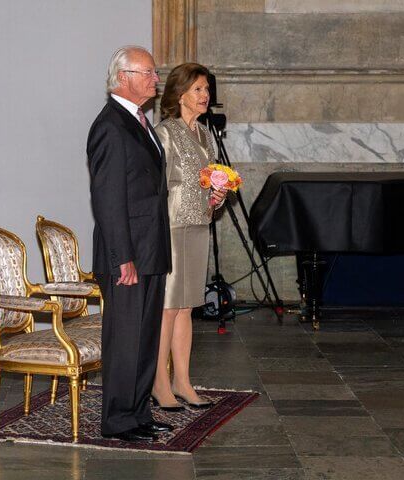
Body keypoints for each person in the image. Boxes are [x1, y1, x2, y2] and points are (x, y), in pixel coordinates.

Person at [87, 46, 172, 443]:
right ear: (124, 77)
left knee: (145, 338)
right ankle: (118, 420)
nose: (156, 79)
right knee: (125, 340)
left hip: (150, 249)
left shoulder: (139, 121)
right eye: (149, 72)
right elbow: (107, 200)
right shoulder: (110, 126)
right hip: (128, 256)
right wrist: (123, 258)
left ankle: (138, 413)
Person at [151, 63, 226, 411]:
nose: (205, 95)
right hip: (173, 226)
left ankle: (182, 380)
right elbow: (157, 186)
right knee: (168, 308)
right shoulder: (165, 132)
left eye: (207, 89)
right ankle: (159, 382)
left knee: (186, 308)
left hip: (199, 225)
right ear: (180, 95)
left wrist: (218, 195)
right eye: (198, 89)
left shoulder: (206, 134)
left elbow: (208, 179)